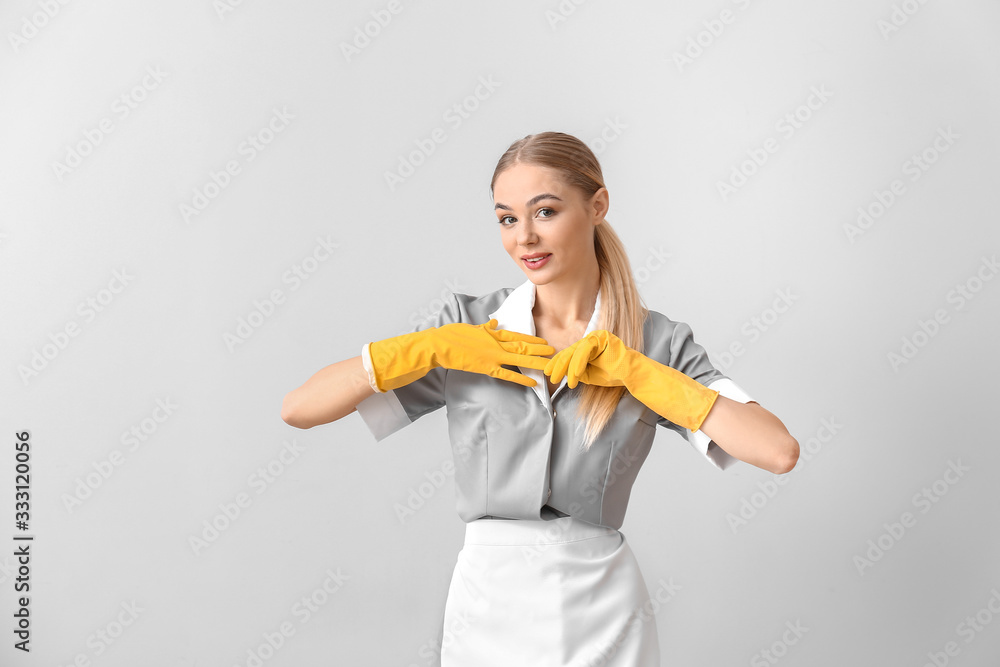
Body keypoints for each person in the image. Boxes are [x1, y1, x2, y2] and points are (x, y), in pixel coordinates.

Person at [281, 131, 799, 666]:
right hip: (488, 601)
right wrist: (424, 348)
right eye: (507, 219)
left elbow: (778, 451)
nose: (524, 237)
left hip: (602, 603)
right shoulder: (469, 330)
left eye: (545, 211)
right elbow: (299, 409)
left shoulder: (654, 343)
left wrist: (639, 372)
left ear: (597, 205)